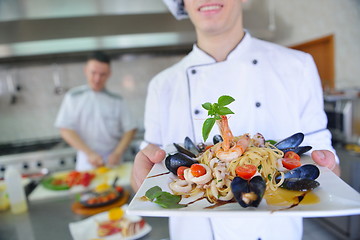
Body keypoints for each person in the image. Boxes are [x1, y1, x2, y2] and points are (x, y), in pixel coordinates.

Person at [131, 0, 340, 239]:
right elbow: (146, 174)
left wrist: (330, 168)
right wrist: (139, 177)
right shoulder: (162, 85)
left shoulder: (298, 66)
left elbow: (328, 163)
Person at [55, 51, 137, 171]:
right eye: (93, 73)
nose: (97, 79)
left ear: (109, 74)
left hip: (114, 161)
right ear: (85, 70)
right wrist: (90, 153)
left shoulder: (117, 100)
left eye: (102, 74)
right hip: (86, 162)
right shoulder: (73, 97)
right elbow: (65, 129)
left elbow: (130, 129)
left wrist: (118, 153)